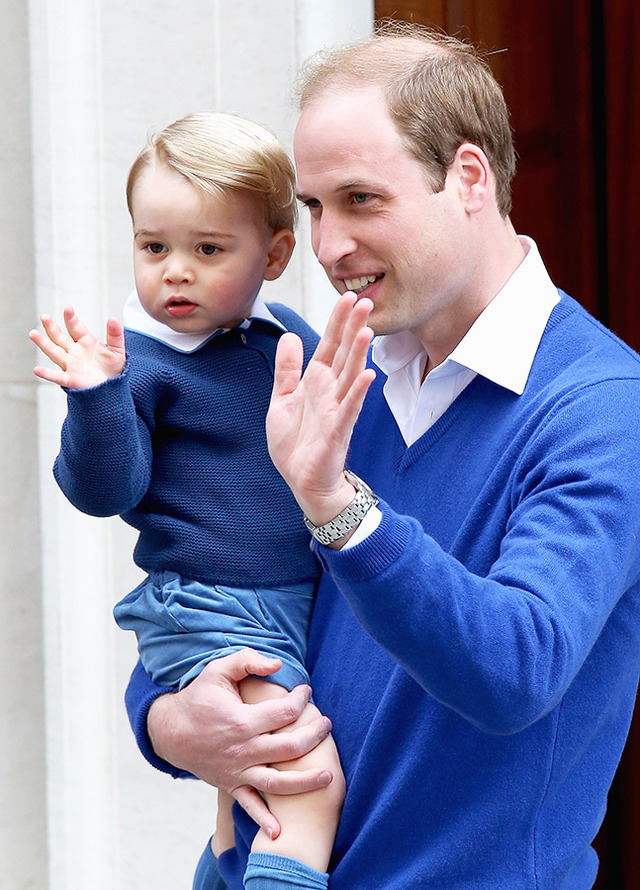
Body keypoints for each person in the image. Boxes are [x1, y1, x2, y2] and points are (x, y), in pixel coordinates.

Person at [125, 23, 640, 890]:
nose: (327, 249)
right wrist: (170, 722)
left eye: (361, 200)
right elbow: (216, 591)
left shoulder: (603, 405)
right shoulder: (337, 372)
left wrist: (336, 506)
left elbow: (518, 668)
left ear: (468, 177)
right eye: (315, 208)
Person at [29, 112, 345, 889]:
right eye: (153, 247)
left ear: (274, 254)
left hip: (292, 598)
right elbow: (105, 490)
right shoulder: (136, 363)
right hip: (208, 604)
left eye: (208, 250)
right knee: (301, 781)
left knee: (243, 812)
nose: (175, 271)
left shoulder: (286, 339)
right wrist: (96, 398)